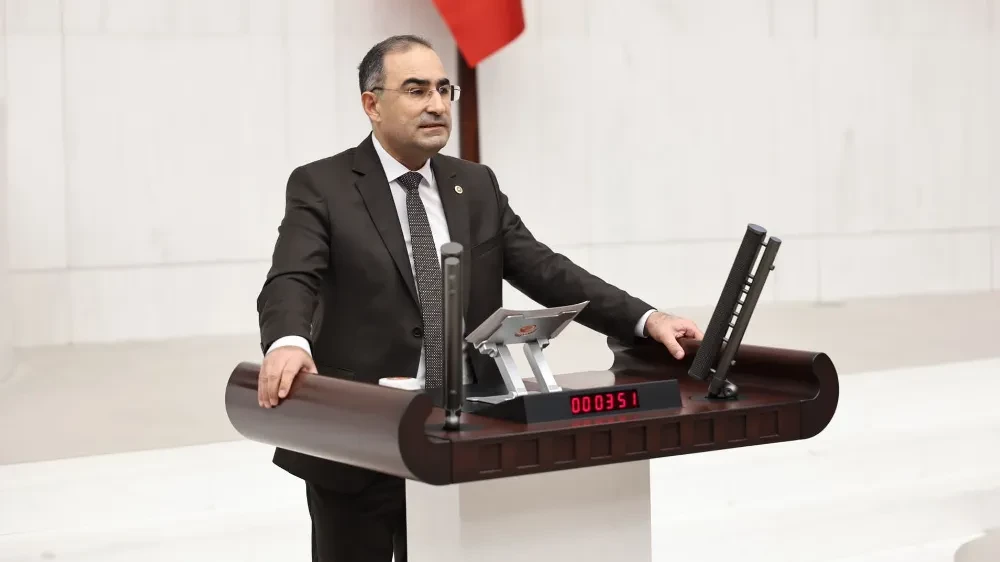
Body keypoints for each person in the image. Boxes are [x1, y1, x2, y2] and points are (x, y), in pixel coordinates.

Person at [255, 34, 704, 562]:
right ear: (372, 104)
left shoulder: (475, 184)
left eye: (444, 89)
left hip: (465, 430)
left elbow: (546, 270)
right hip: (363, 436)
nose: (437, 104)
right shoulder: (322, 185)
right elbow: (292, 277)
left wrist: (645, 318)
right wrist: (288, 341)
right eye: (417, 90)